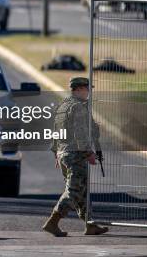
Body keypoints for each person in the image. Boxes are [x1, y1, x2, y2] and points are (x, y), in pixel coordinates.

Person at [42, 77, 108, 237]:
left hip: (64, 153)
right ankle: (53, 222)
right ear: (78, 89)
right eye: (87, 88)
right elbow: (80, 134)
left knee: (82, 191)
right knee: (74, 191)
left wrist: (57, 153)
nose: (89, 92)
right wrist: (89, 153)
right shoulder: (78, 107)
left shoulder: (63, 106)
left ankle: (90, 225)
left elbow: (56, 133)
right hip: (76, 155)